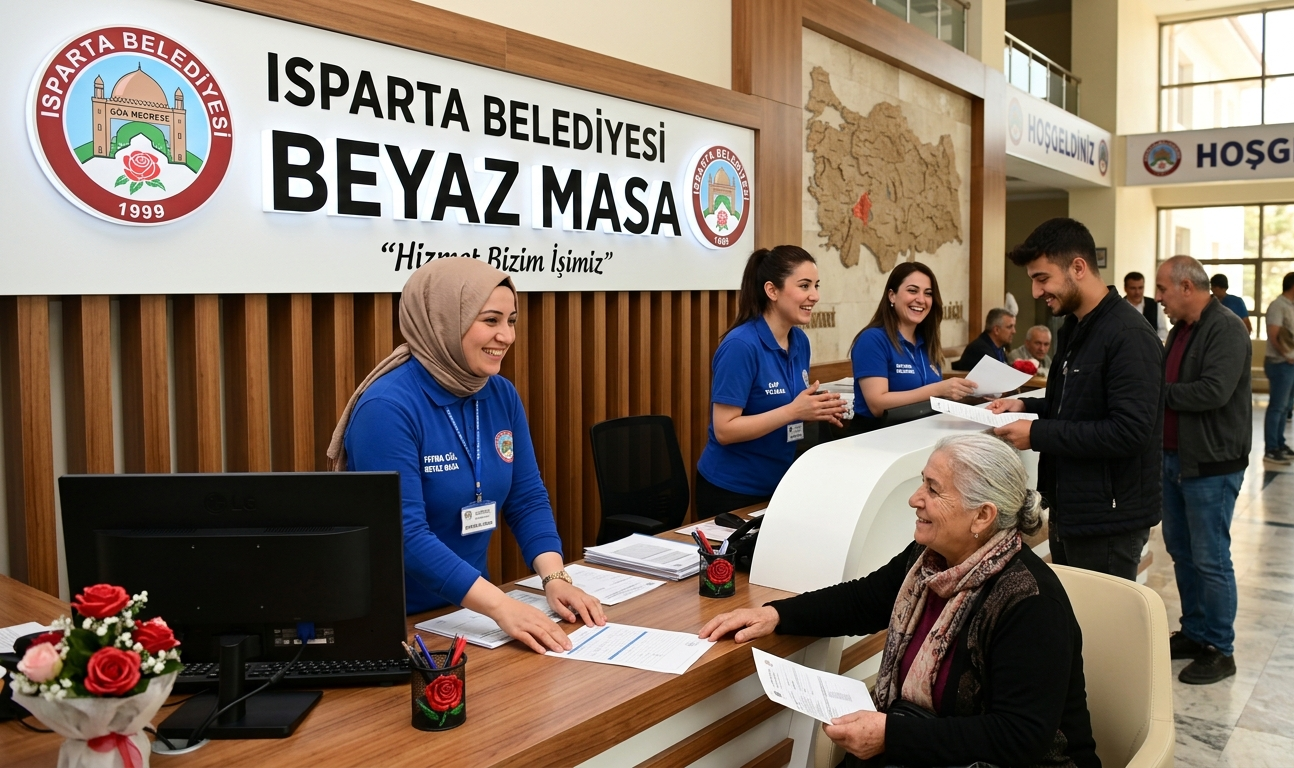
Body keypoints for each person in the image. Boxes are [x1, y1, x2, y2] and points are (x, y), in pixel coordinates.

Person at [699, 434, 1098, 768]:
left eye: (932, 489)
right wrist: (774, 615)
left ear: (983, 517)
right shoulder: (929, 561)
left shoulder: (1030, 603)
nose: (914, 499)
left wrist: (892, 735)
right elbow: (863, 600)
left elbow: (1018, 736)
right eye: (922, 482)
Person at [329, 258, 605, 654]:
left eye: (511, 320)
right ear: (442, 321)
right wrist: (500, 605)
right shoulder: (386, 408)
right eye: (490, 320)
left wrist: (555, 577)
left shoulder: (499, 393)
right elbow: (404, 535)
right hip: (396, 620)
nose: (506, 336)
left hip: (470, 613)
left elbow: (526, 498)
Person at [989, 218, 1164, 581]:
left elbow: (1128, 432)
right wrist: (1026, 406)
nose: (1036, 293)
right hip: (1073, 509)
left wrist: (1037, 434)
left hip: (1109, 520)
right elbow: (1078, 403)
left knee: (1104, 629)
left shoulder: (1129, 335)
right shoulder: (1076, 327)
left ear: (1078, 268)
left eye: (1042, 279)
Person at [1155, 256, 1251, 686]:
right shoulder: (1180, 331)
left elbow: (1212, 391)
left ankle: (1220, 648)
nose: (1159, 299)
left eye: (1163, 289)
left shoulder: (1226, 328)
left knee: (1211, 559)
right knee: (1182, 552)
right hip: (1174, 459)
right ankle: (1194, 632)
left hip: (1212, 464)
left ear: (1188, 287)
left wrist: (1157, 394)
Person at [696, 246, 847, 517]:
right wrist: (794, 411)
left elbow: (783, 410)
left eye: (816, 285)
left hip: (779, 485)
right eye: (804, 286)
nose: (815, 296)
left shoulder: (799, 341)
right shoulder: (741, 346)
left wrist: (815, 411)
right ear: (772, 291)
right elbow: (725, 429)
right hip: (732, 492)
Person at [850, 262, 976, 429]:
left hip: (921, 435)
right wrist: (938, 389)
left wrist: (972, 396)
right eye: (912, 290)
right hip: (877, 440)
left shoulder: (927, 342)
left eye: (928, 293)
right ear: (892, 296)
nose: (921, 300)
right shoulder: (872, 339)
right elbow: (877, 405)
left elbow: (933, 400)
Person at [1262, 272, 1294, 465]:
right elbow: (1274, 335)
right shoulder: (1278, 306)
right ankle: (1271, 448)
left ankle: (1280, 443)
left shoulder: (1290, 307)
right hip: (1280, 364)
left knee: (1285, 407)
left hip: (1289, 364)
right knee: (1277, 407)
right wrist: (1287, 355)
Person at [1123, 271, 1169, 343]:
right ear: (1125, 289)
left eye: (1140, 288)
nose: (1137, 292)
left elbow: (1162, 330)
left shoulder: (1154, 304)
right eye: (1133, 288)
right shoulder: (1119, 307)